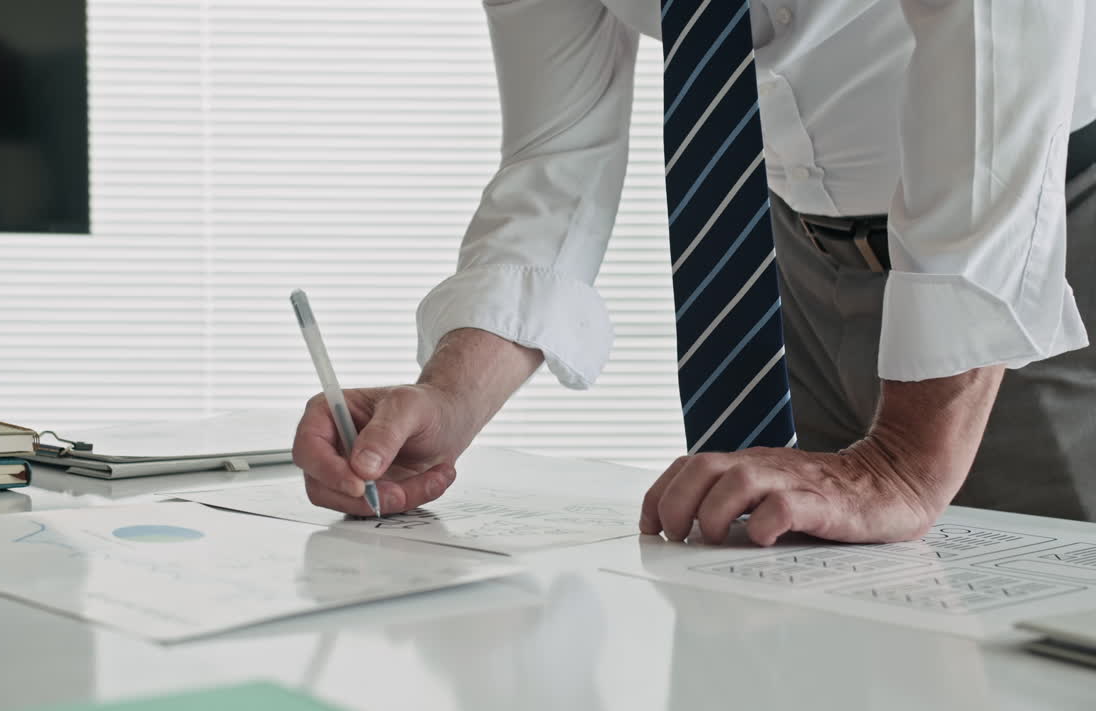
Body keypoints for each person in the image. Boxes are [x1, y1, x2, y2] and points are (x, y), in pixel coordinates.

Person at [293, 0, 1096, 545]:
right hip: (799, 251)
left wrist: (907, 459)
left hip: (1037, 224)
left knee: (1043, 635)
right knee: (841, 606)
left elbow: (1000, 37)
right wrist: (451, 394)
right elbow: (557, 155)